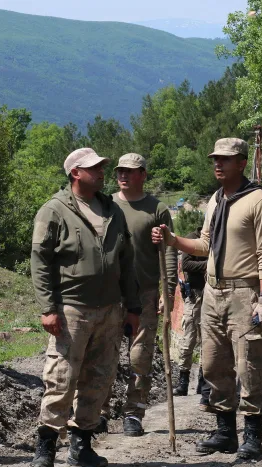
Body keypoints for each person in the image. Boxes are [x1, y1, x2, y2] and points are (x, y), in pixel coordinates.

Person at [153, 138, 262, 461]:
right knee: (213, 363)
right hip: (212, 292)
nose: (217, 164)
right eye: (215, 159)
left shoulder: (258, 200)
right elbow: (205, 245)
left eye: (225, 159)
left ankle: (253, 436)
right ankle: (225, 432)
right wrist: (172, 240)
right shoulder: (216, 199)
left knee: (248, 364)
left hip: (244, 292)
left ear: (241, 162)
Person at [29, 148, 141, 467]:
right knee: (61, 377)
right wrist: (48, 308)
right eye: (94, 168)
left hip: (110, 309)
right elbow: (40, 262)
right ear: (75, 173)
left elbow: (127, 261)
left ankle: (82, 446)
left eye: (102, 167)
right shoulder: (53, 210)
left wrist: (133, 306)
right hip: (71, 309)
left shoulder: (112, 210)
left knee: (99, 378)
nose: (102, 172)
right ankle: (46, 447)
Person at [103, 153, 177, 437]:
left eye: (130, 171)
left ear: (143, 175)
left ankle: (134, 412)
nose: (123, 175)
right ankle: (98, 411)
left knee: (140, 356)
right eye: (120, 170)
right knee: (105, 354)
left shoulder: (157, 209)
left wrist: (168, 291)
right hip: (111, 294)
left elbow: (168, 251)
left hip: (145, 292)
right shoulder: (106, 204)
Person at [173, 225, 206, 398]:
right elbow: (186, 264)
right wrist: (209, 265)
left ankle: (203, 381)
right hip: (194, 296)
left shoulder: (215, 240)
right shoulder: (192, 239)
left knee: (207, 341)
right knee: (189, 340)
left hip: (210, 295)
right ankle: (183, 381)